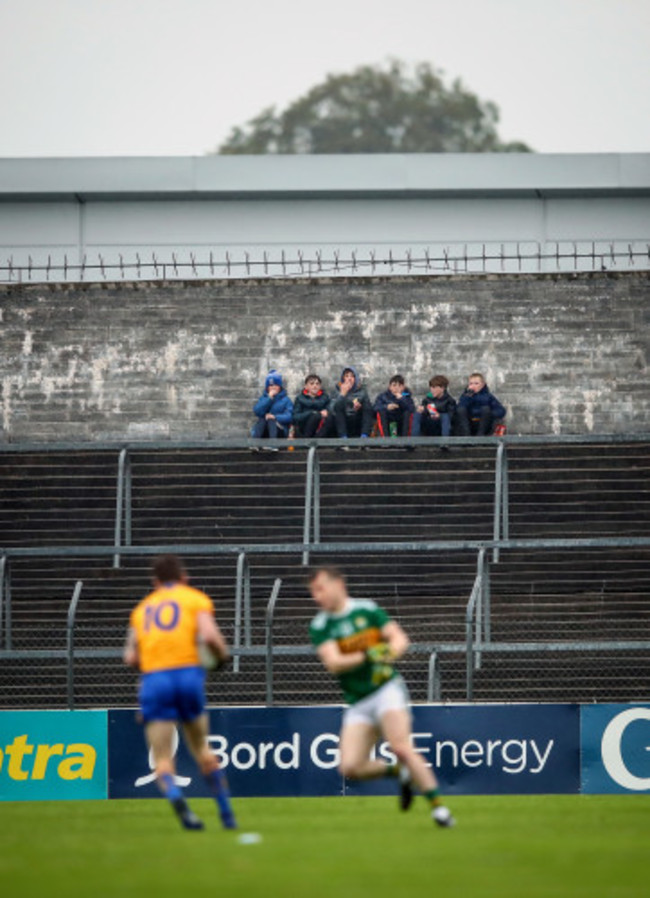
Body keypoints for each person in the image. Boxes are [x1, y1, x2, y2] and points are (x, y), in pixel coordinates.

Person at [308, 566, 455, 829]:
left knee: (401, 747)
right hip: (359, 702)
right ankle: (399, 772)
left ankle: (439, 810)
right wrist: (369, 654)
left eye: (320, 588)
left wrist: (389, 651)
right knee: (349, 768)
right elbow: (334, 663)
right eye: (313, 592)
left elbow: (399, 639)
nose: (317, 596)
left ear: (338, 584)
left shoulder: (367, 610)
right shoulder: (321, 625)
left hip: (386, 689)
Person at [123, 554, 237, 832]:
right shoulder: (195, 599)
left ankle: (179, 802)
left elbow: (130, 657)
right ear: (184, 577)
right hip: (188, 675)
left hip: (155, 681)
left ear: (155, 582)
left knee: (162, 758)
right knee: (201, 748)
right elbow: (210, 637)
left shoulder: (141, 610)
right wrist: (222, 657)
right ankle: (226, 813)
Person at [251, 369, 294, 448]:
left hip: (279, 431)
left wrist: (275, 417)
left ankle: (273, 445)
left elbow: (290, 416)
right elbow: (257, 411)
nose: (273, 387)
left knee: (271, 419)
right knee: (263, 418)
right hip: (264, 430)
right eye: (270, 385)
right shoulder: (263, 398)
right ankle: (255, 444)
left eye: (275, 385)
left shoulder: (286, 400)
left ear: (280, 387)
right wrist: (269, 398)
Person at [332, 366, 374, 445]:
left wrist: (359, 407)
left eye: (352, 376)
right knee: (338, 408)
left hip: (357, 421)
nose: (349, 379)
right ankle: (343, 440)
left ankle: (364, 438)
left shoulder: (362, 391)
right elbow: (332, 409)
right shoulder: (337, 391)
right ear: (343, 378)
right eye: (347, 376)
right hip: (343, 422)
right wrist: (342, 395)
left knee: (367, 407)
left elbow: (369, 409)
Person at [292, 374, 334, 438]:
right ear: (306, 386)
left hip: (320, 428)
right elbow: (295, 417)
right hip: (304, 427)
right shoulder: (300, 398)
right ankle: (307, 440)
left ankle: (317, 439)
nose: (315, 386)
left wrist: (327, 412)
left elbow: (330, 409)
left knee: (330, 418)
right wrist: (311, 413)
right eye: (312, 384)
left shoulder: (325, 397)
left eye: (317, 384)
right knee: (315, 416)